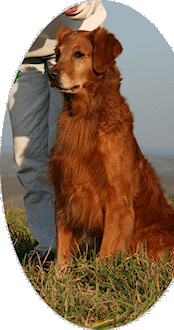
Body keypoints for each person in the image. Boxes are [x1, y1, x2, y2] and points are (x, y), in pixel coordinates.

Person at [7, 0, 107, 260]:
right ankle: (49, 248)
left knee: (72, 158)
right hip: (22, 59)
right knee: (28, 159)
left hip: (80, 42)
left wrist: (78, 7)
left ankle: (94, 244)